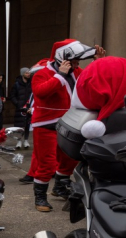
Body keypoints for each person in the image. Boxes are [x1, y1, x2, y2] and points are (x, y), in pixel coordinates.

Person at [30, 39, 105, 212]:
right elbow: (40, 92)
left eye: (78, 62)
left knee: (70, 158)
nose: (77, 64)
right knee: (47, 163)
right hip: (45, 124)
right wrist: (60, 76)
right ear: (61, 59)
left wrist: (98, 62)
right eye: (74, 61)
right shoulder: (43, 73)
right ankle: (40, 197)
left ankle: (60, 187)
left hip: (69, 122)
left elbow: (93, 80)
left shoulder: (77, 71)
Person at [9, 67, 35, 183]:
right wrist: (17, 103)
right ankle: (19, 140)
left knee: (28, 124)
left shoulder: (31, 83)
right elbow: (12, 95)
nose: (28, 74)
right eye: (26, 72)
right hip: (20, 107)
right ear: (22, 73)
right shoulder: (17, 84)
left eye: (29, 72)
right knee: (19, 125)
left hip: (29, 107)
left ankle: (25, 140)